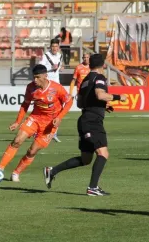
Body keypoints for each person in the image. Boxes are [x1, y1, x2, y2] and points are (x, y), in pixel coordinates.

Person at [43, 54, 127, 196]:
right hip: (92, 122)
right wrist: (119, 97)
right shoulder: (100, 78)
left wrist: (101, 106)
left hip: (84, 119)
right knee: (103, 153)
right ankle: (92, 188)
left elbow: (80, 102)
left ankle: (52, 171)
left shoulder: (86, 80)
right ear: (103, 65)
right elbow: (100, 95)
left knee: (86, 159)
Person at [0, 64, 72, 182]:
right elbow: (25, 104)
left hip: (49, 125)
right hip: (35, 119)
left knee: (32, 151)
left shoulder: (57, 88)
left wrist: (59, 117)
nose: (35, 80)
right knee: (17, 141)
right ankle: (0, 168)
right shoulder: (31, 88)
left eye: (37, 77)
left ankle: (16, 172)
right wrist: (18, 122)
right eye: (33, 77)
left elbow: (68, 102)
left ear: (45, 76)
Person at [39, 38, 64, 142]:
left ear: (58, 47)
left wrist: (59, 68)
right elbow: (40, 68)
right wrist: (50, 69)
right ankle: (39, 131)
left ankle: (54, 133)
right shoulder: (45, 56)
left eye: (56, 46)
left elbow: (59, 67)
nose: (54, 48)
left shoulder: (60, 56)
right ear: (50, 47)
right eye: (53, 46)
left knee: (59, 108)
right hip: (48, 85)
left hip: (57, 85)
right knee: (45, 108)